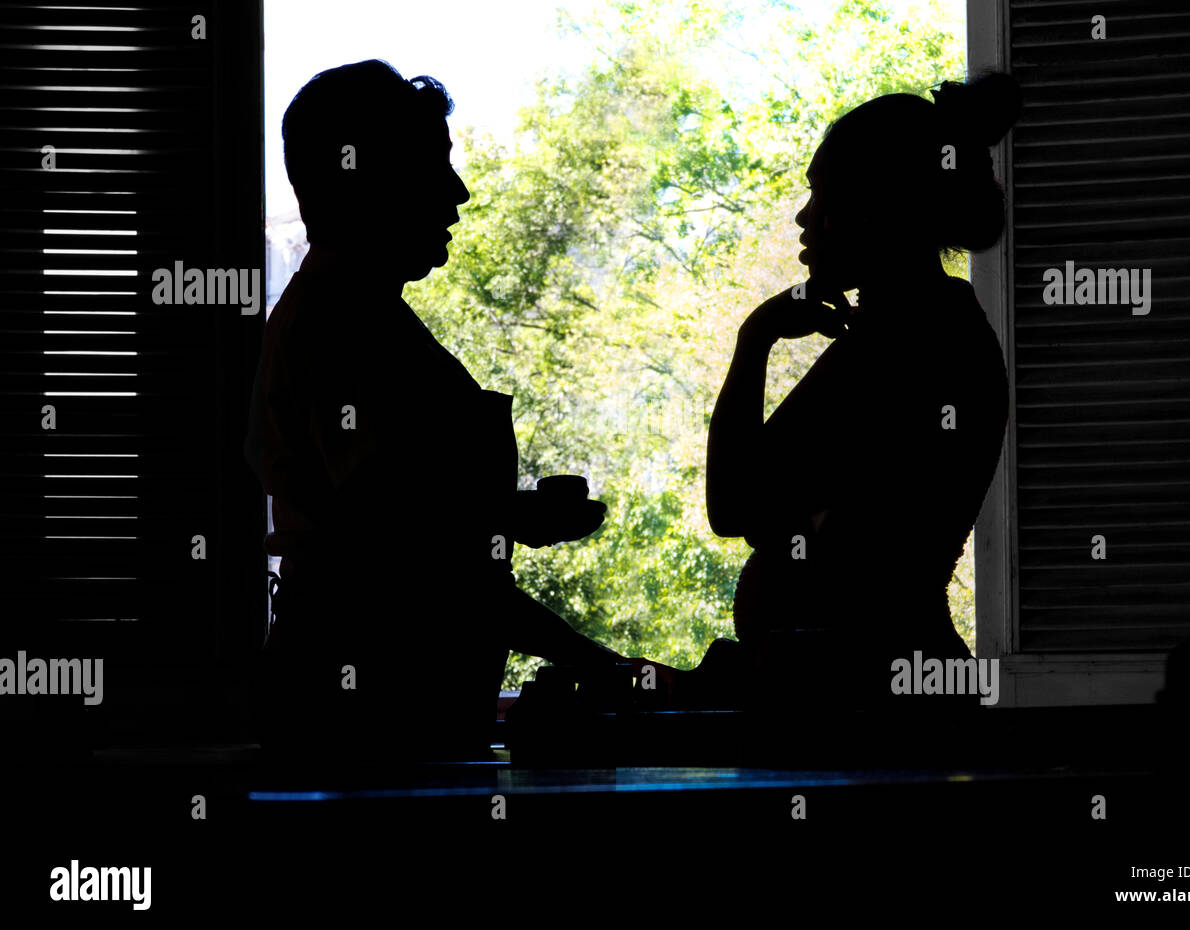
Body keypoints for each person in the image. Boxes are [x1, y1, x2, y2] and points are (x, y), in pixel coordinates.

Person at [244, 60, 628, 759]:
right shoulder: (344, 329)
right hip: (365, 734)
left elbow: (411, 533)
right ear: (366, 178)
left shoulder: (355, 323)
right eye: (432, 166)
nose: (458, 192)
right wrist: (518, 525)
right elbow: (402, 544)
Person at [682, 74, 1020, 710]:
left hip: (867, 698)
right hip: (872, 686)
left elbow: (731, 506)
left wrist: (754, 341)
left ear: (876, 209)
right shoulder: (918, 326)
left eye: (822, 197)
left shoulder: (908, 339)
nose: (804, 219)